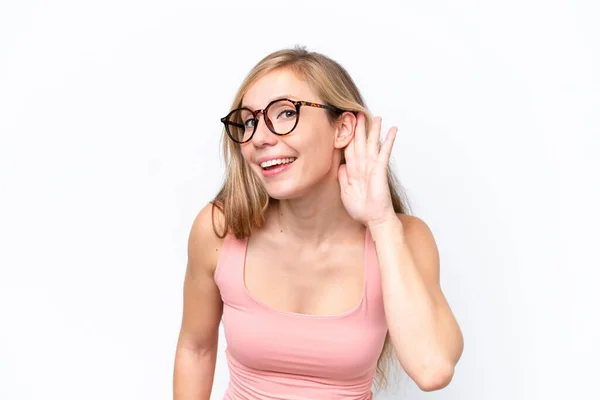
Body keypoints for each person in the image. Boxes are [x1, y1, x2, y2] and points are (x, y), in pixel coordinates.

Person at [173, 46, 464, 400]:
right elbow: (196, 349)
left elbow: (432, 368)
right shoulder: (220, 227)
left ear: (342, 128)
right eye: (249, 121)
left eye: (284, 113)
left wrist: (381, 221)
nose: (260, 137)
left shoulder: (405, 237)